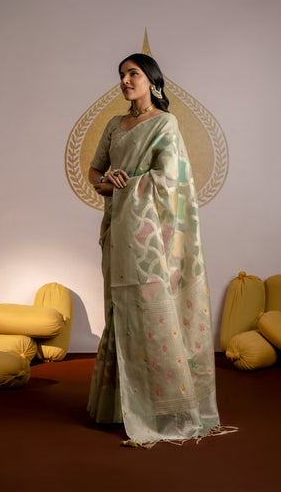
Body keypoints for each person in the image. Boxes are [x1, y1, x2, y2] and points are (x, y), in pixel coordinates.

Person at [87, 53, 221, 446]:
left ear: (152, 80)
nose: (125, 81)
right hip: (117, 230)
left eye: (133, 74)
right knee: (120, 309)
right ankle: (119, 407)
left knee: (152, 310)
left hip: (148, 236)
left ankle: (165, 409)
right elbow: (95, 173)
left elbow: (170, 178)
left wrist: (127, 181)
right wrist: (107, 180)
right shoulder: (114, 125)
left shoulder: (165, 123)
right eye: (122, 75)